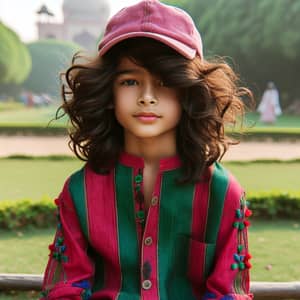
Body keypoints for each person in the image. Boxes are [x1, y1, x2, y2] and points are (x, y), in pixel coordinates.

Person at [40, 1, 253, 299]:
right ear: (108, 91)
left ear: (190, 92)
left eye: (165, 81)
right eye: (130, 81)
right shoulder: (80, 191)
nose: (147, 97)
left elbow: (229, 293)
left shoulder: (222, 192)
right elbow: (65, 289)